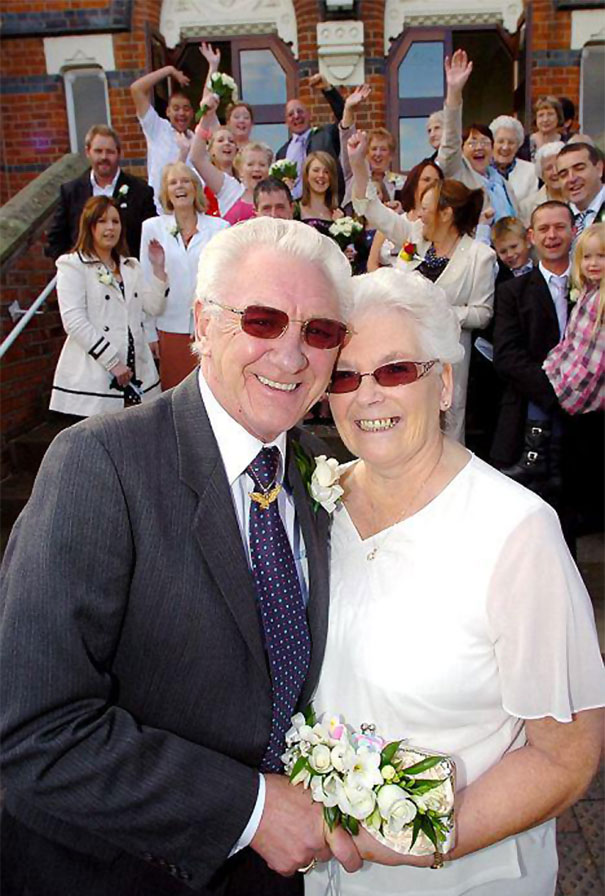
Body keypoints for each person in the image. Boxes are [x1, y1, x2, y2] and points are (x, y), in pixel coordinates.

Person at [0, 217, 363, 896]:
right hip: (113, 873)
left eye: (318, 332)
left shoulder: (317, 469)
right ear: (201, 323)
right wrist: (250, 809)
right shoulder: (99, 465)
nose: (290, 357)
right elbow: (31, 726)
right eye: (261, 320)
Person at [304, 265, 605, 896]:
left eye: (393, 370)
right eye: (345, 376)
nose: (367, 396)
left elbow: (567, 757)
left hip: (462, 876)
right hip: (329, 874)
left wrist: (420, 842)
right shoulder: (315, 506)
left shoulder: (516, 533)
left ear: (444, 382)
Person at [350, 130, 495, 443]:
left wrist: (437, 309)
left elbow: (483, 314)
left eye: (429, 208)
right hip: (403, 347)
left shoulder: (480, 256)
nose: (421, 213)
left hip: (449, 353)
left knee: (448, 419)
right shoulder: (413, 236)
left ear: (447, 213)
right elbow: (371, 208)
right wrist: (358, 163)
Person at [49, 195, 167, 418]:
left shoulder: (131, 266)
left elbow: (154, 307)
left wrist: (159, 269)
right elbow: (74, 321)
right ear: (89, 225)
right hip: (97, 375)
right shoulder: (72, 265)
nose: (110, 227)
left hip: (137, 372)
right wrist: (112, 362)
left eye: (115, 221)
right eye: (102, 221)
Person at [492, 201, 574, 494]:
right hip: (530, 414)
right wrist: (558, 393)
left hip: (586, 423)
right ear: (531, 236)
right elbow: (507, 356)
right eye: (544, 229)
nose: (552, 235)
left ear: (574, 231)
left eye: (560, 227)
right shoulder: (511, 291)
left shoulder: (592, 284)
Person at [140, 161, 229, 390]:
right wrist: (149, 332)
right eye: (173, 182)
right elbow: (146, 281)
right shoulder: (152, 228)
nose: (180, 186)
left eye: (185, 181)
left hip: (210, 327)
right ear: (166, 192)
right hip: (170, 328)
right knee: (174, 394)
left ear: (195, 187)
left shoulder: (219, 228)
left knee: (212, 391)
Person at [46, 124, 156, 260]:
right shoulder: (70, 192)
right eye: (98, 151)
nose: (104, 157)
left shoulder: (141, 191)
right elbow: (56, 238)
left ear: (119, 153)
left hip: (127, 274)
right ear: (88, 152)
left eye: (110, 152)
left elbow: (151, 237)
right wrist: (72, 267)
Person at [438, 50, 518, 222]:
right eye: (472, 143)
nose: (479, 147)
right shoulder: (457, 172)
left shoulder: (501, 182)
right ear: (462, 149)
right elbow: (450, 140)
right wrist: (454, 92)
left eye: (484, 142)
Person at [543, 222, 605, 415]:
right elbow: (571, 342)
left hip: (583, 394)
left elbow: (596, 361)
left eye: (602, 256)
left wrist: (567, 393)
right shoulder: (588, 291)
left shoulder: (600, 300)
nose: (593, 263)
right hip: (565, 380)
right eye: (587, 257)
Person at [130, 57, 198, 211]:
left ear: (192, 113)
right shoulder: (157, 128)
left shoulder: (196, 139)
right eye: (176, 108)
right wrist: (169, 70)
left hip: (191, 212)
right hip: (159, 210)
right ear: (167, 111)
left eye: (186, 108)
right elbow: (137, 89)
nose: (181, 113)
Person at [275, 75, 345, 200]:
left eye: (300, 111)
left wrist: (327, 89)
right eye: (291, 114)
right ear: (286, 122)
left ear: (309, 115)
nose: (296, 116)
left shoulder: (325, 135)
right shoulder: (282, 153)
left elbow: (344, 115)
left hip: (325, 204)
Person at [367, 158, 443, 272]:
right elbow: (372, 264)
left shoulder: (437, 227)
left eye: (436, 181)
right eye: (426, 180)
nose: (432, 185)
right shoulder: (393, 219)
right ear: (414, 183)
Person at [337, 85, 404, 208]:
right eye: (373, 149)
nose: (377, 154)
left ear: (391, 156)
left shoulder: (400, 184)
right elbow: (347, 137)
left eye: (383, 149)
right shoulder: (354, 173)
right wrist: (348, 109)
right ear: (366, 152)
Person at [556, 142, 605, 236]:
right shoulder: (558, 218)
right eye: (563, 174)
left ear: (599, 169)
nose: (571, 178)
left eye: (579, 168)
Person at [489, 115, 538, 203]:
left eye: (511, 142)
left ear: (518, 145)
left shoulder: (530, 171)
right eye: (500, 141)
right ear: (492, 143)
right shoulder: (482, 169)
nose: (505, 147)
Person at [519, 141, 566, 226]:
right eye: (548, 168)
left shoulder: (580, 198)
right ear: (541, 174)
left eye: (558, 165)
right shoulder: (527, 206)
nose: (555, 172)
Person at [299, 151, 342, 232]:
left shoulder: (339, 213)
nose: (321, 175)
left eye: (326, 172)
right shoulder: (295, 209)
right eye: (316, 170)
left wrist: (340, 226)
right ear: (306, 175)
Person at [529, 96, 564, 160]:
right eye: (541, 115)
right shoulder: (524, 144)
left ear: (558, 117)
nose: (545, 119)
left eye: (550, 114)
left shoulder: (566, 142)